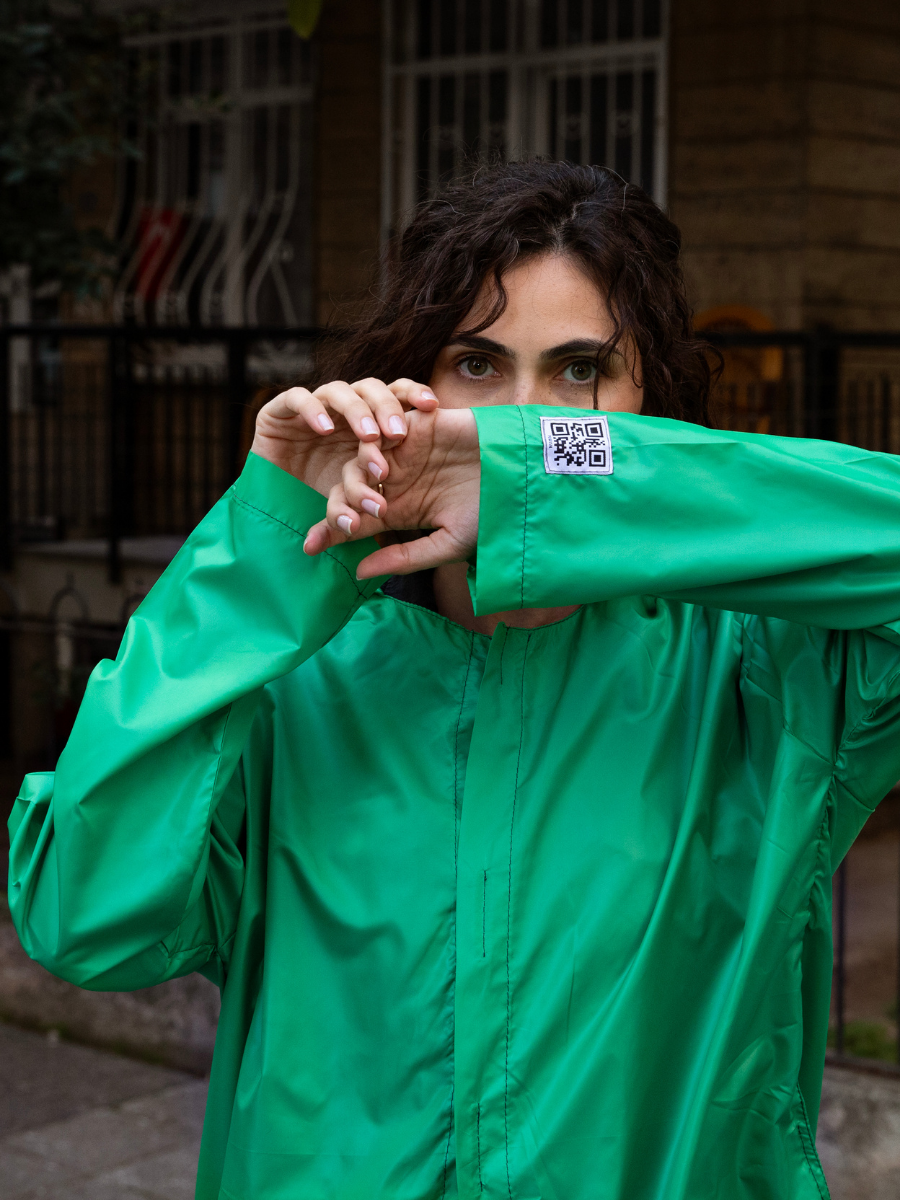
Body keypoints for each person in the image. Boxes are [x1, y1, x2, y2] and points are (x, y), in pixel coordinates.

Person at [8, 161, 900, 1200]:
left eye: (580, 372)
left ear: (648, 405)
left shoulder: (762, 672)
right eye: (476, 364)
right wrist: (261, 556)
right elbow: (85, 922)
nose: (519, 422)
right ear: (408, 389)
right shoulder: (296, 678)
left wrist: (551, 490)